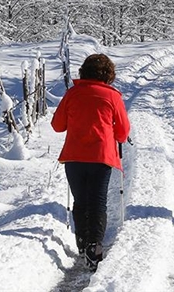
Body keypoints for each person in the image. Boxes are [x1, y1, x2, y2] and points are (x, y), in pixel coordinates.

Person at [51, 53, 131, 271]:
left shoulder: (72, 94)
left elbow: (58, 126)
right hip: (101, 156)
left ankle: (82, 242)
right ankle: (94, 247)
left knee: (80, 200)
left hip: (75, 155)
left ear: (84, 71)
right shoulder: (113, 96)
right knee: (97, 202)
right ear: (108, 75)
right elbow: (123, 131)